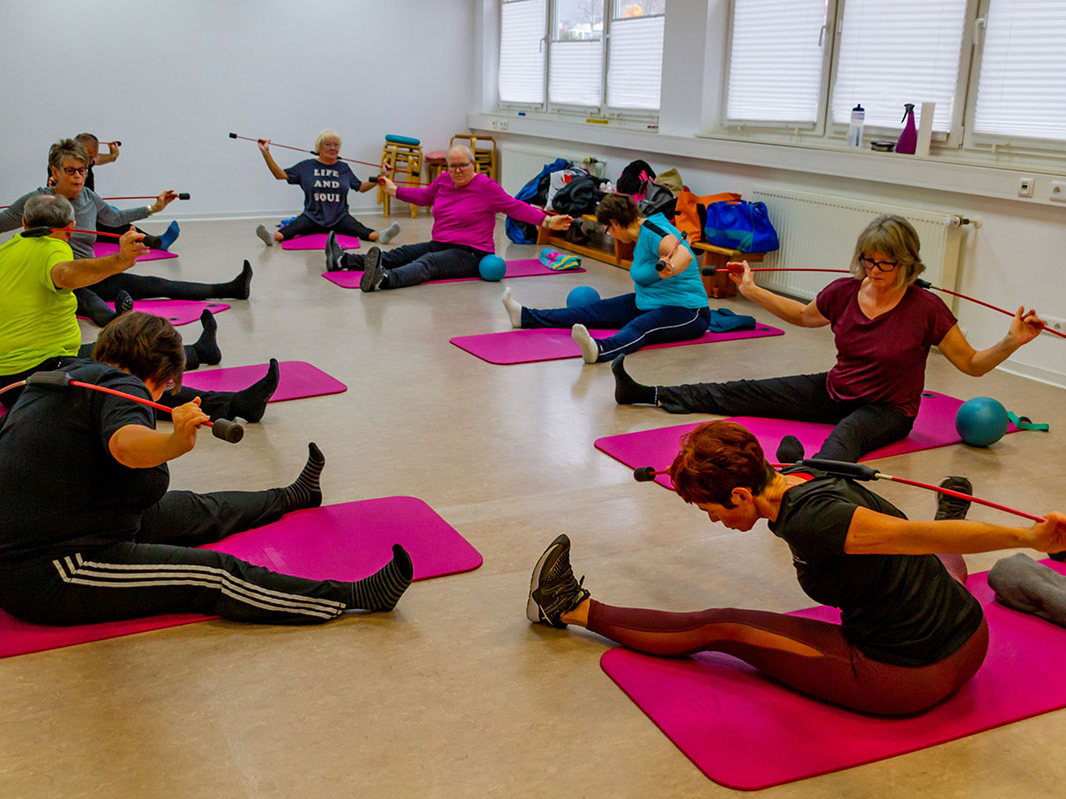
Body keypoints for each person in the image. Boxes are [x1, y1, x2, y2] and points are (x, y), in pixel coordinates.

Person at [526, 420, 1066, 716]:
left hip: (907, 678)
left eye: (710, 509)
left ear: (741, 493)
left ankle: (567, 606)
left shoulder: (814, 520)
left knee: (724, 625)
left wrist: (1028, 536)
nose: (712, 520)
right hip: (971, 636)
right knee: (927, 564)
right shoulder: (797, 476)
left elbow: (911, 534)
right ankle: (952, 512)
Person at [0, 312, 413, 626]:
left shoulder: (71, 375)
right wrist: (173, 442)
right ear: (159, 374)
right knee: (213, 575)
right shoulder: (121, 387)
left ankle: (295, 495)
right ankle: (352, 596)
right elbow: (125, 446)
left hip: (82, 519)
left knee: (198, 509)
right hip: (52, 569)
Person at [611, 214, 1045, 462]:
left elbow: (970, 365)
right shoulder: (844, 291)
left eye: (884, 265)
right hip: (834, 390)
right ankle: (648, 393)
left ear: (908, 264)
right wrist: (753, 291)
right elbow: (803, 315)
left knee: (845, 442)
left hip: (887, 410)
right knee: (743, 392)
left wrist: (1012, 341)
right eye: (867, 261)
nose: (872, 271)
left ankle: (807, 480)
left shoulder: (925, 310)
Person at [0, 194, 277, 424]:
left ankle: (199, 352)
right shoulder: (51, 247)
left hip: (31, 366)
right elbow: (63, 274)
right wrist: (120, 259)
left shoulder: (8, 249)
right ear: (71, 228)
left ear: (24, 223)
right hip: (37, 376)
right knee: (130, 378)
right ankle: (235, 405)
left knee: (120, 350)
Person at [1, 139, 250, 327]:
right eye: (70, 171)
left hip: (95, 271)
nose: (78, 176)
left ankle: (230, 289)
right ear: (54, 172)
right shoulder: (38, 201)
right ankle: (120, 322)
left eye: (82, 170)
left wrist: (154, 207)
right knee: (95, 307)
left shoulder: (89, 198)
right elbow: (5, 221)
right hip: (63, 280)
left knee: (155, 284)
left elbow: (116, 218)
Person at [500, 193, 710, 364]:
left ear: (615, 223)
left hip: (688, 311)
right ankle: (525, 316)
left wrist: (671, 267)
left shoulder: (653, 230)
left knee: (639, 327)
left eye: (607, 230)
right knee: (591, 311)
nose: (610, 235)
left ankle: (600, 349)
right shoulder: (640, 236)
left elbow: (684, 253)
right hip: (648, 302)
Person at [330, 144, 572, 291]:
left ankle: (383, 280)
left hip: (472, 253)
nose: (456, 171)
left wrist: (548, 221)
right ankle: (344, 261)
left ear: (473, 165)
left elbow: (514, 207)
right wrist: (393, 190)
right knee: (402, 254)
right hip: (442, 243)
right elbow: (424, 196)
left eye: (462, 166)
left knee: (428, 264)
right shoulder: (444, 180)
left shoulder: (486, 187)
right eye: (452, 166)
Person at [254, 129, 400, 247]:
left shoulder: (343, 168)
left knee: (361, 230)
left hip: (339, 217)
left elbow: (361, 187)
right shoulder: (306, 166)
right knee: (291, 229)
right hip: (312, 216)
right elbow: (280, 175)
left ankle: (383, 236)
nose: (332, 148)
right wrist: (266, 153)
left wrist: (381, 176)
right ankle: (271, 237)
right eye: (328, 144)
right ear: (319, 148)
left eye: (336, 145)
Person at [73, 133, 181, 251]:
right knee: (111, 222)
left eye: (92, 158)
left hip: (88, 214)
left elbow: (98, 159)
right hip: (77, 223)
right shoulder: (63, 169)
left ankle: (155, 240)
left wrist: (113, 155)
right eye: (88, 157)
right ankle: (156, 242)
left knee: (112, 215)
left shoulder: (86, 163)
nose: (90, 161)